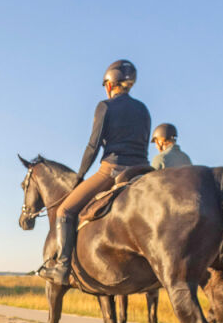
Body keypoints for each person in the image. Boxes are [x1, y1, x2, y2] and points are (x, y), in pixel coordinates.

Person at [36, 59, 151, 285]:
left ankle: (62, 267)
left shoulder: (104, 106)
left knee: (64, 211)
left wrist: (79, 177)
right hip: (144, 170)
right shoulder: (143, 109)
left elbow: (93, 146)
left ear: (109, 84)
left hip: (113, 169)